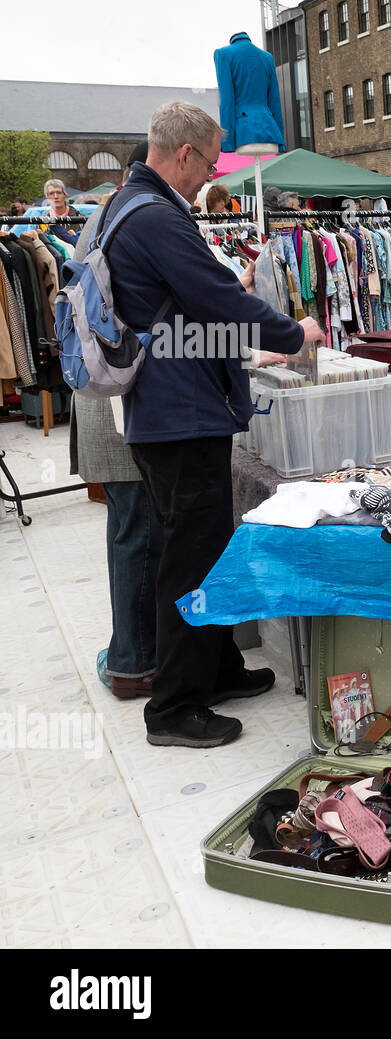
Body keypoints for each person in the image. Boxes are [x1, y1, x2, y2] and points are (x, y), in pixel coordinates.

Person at [111, 101, 324, 748]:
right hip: (178, 416)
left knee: (204, 546)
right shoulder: (154, 219)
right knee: (190, 561)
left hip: (167, 408)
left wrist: (243, 346)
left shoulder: (129, 207)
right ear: (183, 155)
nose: (211, 174)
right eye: (208, 160)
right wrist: (293, 332)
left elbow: (185, 317)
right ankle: (174, 706)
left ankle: (218, 667)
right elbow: (216, 296)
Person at [68, 143, 164, 702]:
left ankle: (130, 649)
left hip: (104, 390)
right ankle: (132, 660)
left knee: (129, 528)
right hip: (117, 398)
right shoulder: (132, 217)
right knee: (138, 531)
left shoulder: (106, 214)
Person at [42, 178, 79, 245]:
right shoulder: (41, 221)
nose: (55, 196)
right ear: (47, 198)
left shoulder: (79, 218)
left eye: (59, 193)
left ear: (65, 196)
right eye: (51, 193)